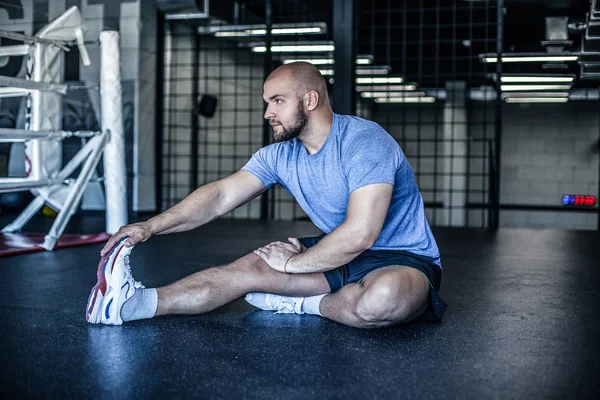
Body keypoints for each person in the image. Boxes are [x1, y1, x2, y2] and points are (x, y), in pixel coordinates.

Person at [86, 61, 447, 329]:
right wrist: (151, 226)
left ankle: (306, 305)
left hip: (402, 258)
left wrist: (292, 265)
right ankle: (132, 305)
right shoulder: (280, 155)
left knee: (383, 300)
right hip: (334, 253)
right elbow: (221, 195)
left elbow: (360, 234)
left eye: (277, 101)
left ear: (310, 99)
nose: (267, 113)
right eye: (267, 102)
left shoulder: (364, 142)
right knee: (241, 272)